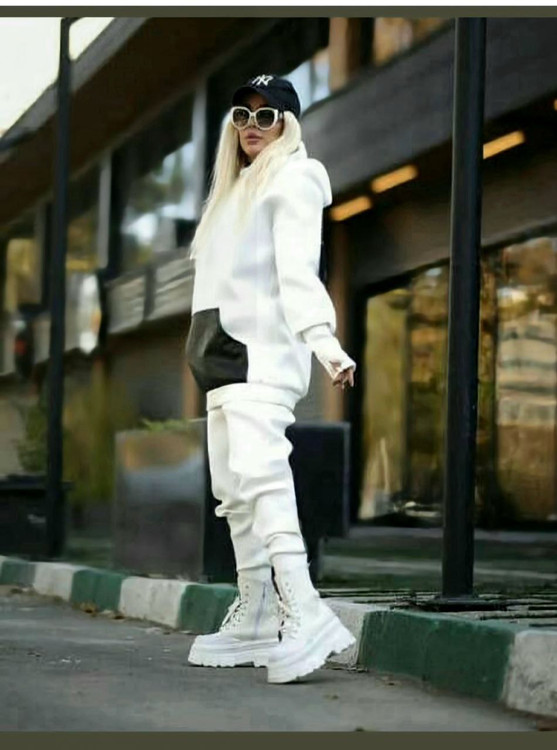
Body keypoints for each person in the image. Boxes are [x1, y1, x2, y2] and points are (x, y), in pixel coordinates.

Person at [185, 73, 357, 684]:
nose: (253, 127)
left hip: (257, 355)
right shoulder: (231, 192)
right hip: (219, 360)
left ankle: (304, 611)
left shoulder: (295, 178)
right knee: (233, 492)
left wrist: (323, 341)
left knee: (262, 479)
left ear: (288, 123)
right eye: (243, 116)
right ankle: (255, 614)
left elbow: (298, 270)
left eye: (267, 116)